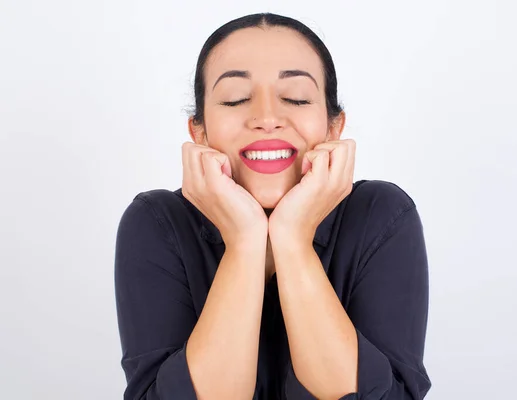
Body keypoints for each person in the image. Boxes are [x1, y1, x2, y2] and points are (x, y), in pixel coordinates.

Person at [114, 12, 431, 400]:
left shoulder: (381, 214)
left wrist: (293, 239)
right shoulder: (156, 223)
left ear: (334, 128)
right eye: (236, 99)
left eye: (296, 98)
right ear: (200, 132)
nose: (266, 118)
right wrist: (245, 243)